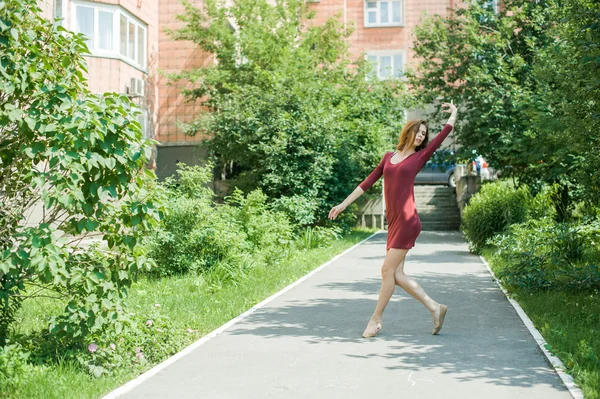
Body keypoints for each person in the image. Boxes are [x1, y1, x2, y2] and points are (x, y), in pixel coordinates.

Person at [328, 102, 458, 338]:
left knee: (387, 270)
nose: (421, 137)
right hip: (394, 221)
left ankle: (375, 319)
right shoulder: (388, 157)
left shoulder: (419, 157)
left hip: (408, 221)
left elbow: (442, 137)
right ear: (408, 131)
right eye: (418, 133)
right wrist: (343, 204)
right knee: (396, 274)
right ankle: (435, 307)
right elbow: (366, 183)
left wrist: (454, 115)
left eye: (423, 135)